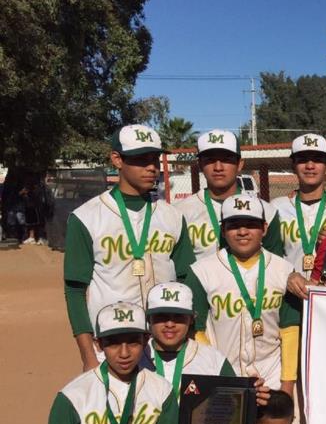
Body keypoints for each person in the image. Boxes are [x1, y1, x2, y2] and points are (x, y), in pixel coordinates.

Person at [63, 124, 194, 370]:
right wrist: (87, 355)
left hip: (164, 343)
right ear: (117, 159)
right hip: (112, 343)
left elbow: (186, 279)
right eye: (140, 159)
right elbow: (74, 291)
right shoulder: (86, 217)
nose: (151, 167)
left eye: (155, 158)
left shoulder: (172, 216)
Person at [40, 302, 177, 424]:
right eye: (113, 343)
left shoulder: (161, 390)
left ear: (145, 340)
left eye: (133, 342)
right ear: (98, 344)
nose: (124, 353)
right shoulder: (74, 395)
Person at [187, 196, 302, 396]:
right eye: (234, 225)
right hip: (220, 372)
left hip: (273, 373)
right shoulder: (201, 271)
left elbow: (289, 330)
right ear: (223, 231)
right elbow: (197, 331)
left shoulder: (284, 271)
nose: (242, 232)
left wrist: (287, 386)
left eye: (251, 225)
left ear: (265, 228)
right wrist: (217, 373)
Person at [141, 281, 248, 424]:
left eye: (179, 317)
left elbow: (231, 421)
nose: (170, 324)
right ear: (148, 319)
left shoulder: (213, 360)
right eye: (162, 316)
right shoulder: (134, 359)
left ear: (192, 319)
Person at [174, 129, 283, 260]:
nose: (218, 167)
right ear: (200, 164)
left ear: (240, 164)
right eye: (210, 160)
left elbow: (275, 265)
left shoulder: (266, 211)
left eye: (226, 159)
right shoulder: (180, 212)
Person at [271, 134, 326, 276]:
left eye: (317, 160)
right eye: (302, 160)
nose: (310, 166)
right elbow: (269, 254)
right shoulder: (277, 207)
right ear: (293, 167)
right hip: (290, 290)